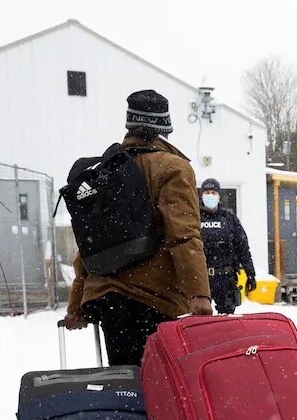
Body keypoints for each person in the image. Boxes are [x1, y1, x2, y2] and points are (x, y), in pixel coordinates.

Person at [64, 90, 212, 365]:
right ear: (163, 128)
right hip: (151, 296)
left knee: (126, 386)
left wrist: (76, 306)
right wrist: (198, 293)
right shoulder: (172, 168)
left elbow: (89, 243)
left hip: (106, 298)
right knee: (155, 388)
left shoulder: (105, 170)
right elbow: (183, 234)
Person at [199, 177, 256, 315]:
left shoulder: (229, 219)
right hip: (201, 278)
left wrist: (250, 273)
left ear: (219, 196)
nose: (210, 196)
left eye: (213, 192)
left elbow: (242, 247)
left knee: (227, 321)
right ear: (201, 195)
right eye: (207, 192)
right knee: (200, 320)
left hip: (226, 278)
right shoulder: (194, 217)